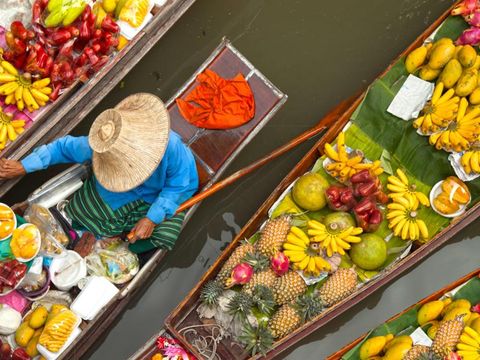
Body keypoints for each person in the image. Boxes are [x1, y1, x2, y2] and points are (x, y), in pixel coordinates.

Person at [0, 93, 199, 253]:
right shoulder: (105, 146)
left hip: (165, 192)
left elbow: (177, 186)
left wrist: (152, 218)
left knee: (161, 235)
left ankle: (122, 242)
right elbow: (61, 148)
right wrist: (24, 166)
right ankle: (88, 234)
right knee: (82, 210)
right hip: (121, 183)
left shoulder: (171, 148)